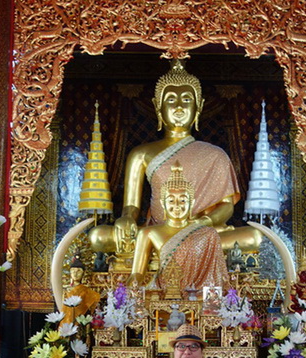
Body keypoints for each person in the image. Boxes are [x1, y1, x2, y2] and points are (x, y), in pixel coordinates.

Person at [89, 59, 261, 254]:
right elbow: (131, 206)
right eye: (171, 99)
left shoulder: (215, 155)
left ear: (199, 107)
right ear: (157, 107)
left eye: (187, 99)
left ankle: (180, 247)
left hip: (202, 232)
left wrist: (202, 222)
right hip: (158, 232)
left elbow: (226, 207)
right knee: (98, 237)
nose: (179, 107)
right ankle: (180, 248)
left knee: (254, 237)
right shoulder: (141, 154)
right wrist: (127, 218)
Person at [128, 166, 229, 294]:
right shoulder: (148, 233)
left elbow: (215, 277)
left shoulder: (207, 233)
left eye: (182, 200)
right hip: (164, 292)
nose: (177, 205)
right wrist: (131, 287)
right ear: (162, 203)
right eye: (171, 200)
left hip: (197, 294)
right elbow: (137, 272)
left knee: (209, 298)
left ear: (191, 203)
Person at [62, 256, 101, 324]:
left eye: (79, 271)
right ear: (70, 273)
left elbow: (90, 305)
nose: (75, 274)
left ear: (83, 274)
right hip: (66, 319)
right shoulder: (66, 289)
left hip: (80, 320)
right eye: (73, 271)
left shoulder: (86, 290)